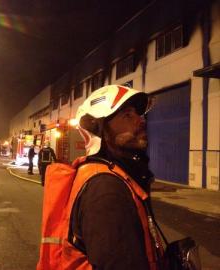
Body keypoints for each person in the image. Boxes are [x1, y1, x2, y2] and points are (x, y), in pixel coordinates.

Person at [65, 85, 164, 269]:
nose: (141, 120)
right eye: (127, 115)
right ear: (99, 129)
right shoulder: (106, 189)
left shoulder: (114, 175)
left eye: (139, 114)